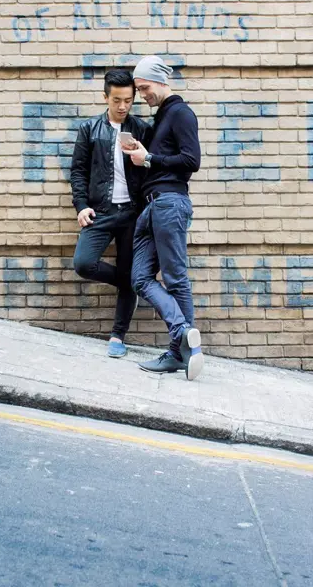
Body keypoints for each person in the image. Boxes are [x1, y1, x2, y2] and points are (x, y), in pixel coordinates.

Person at [122, 55, 204, 381]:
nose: (143, 95)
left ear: (159, 81)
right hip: (152, 207)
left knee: (175, 278)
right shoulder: (162, 118)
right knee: (139, 277)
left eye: (144, 88)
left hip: (170, 203)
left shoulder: (181, 113)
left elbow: (191, 160)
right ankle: (183, 334)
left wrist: (149, 158)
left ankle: (179, 352)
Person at [70, 69, 150, 358]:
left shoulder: (142, 129)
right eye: (116, 100)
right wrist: (81, 206)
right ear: (105, 97)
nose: (122, 106)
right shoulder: (89, 129)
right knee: (83, 263)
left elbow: (154, 169)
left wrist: (144, 157)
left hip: (133, 214)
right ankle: (131, 282)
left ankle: (118, 336)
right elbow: (78, 171)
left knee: (131, 270)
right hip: (100, 212)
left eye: (128, 100)